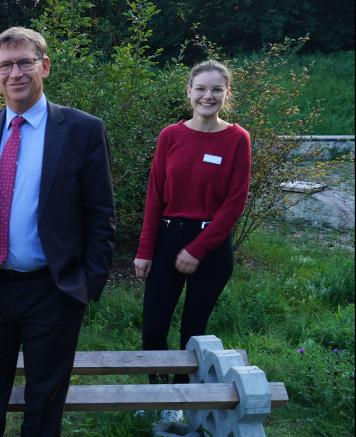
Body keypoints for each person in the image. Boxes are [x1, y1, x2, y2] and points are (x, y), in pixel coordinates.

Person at [0, 27, 116, 436]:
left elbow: (101, 215)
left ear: (44, 67)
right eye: (5, 65)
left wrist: (87, 284)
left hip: (53, 291)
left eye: (25, 62)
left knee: (45, 403)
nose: (16, 73)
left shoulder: (83, 130)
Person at [133, 60, 250, 420]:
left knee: (192, 332)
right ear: (189, 91)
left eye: (216, 89)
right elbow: (155, 195)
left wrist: (197, 250)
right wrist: (144, 250)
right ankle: (157, 396)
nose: (208, 96)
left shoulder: (237, 139)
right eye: (201, 88)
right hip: (167, 240)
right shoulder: (170, 136)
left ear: (226, 93)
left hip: (211, 248)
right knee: (153, 327)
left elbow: (235, 204)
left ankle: (180, 403)